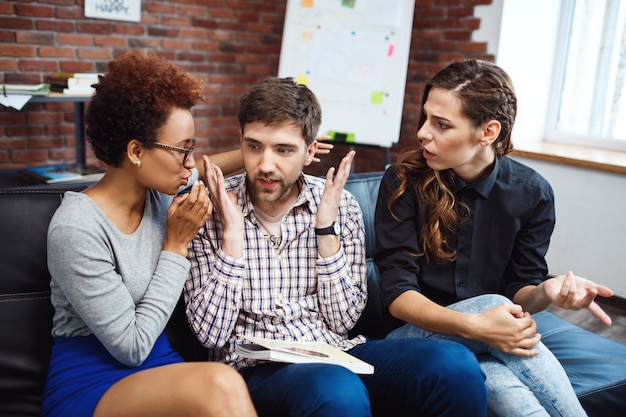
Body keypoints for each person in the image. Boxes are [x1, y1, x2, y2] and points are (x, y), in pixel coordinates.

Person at [185, 76, 487, 417]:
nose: (266, 165)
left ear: (311, 150)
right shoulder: (210, 209)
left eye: (283, 150)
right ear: (240, 141)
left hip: (334, 352)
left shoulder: (339, 205)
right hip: (253, 370)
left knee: (454, 365)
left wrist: (325, 230)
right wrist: (233, 236)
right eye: (254, 146)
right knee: (336, 390)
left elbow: (342, 321)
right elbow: (210, 335)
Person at [374, 59, 615, 417]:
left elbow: (521, 291)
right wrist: (479, 325)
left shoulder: (532, 192)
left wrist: (545, 293)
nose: (423, 133)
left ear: (487, 132)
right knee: (492, 306)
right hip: (415, 339)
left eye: (441, 125)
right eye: (426, 118)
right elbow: (397, 295)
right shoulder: (402, 181)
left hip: (493, 342)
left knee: (513, 397)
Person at [41, 50, 258, 417]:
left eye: (192, 149)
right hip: (93, 381)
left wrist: (263, 150)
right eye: (182, 150)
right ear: (137, 151)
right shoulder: (76, 228)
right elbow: (132, 346)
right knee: (221, 384)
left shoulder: (160, 188)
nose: (190, 164)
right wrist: (176, 245)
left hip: (159, 368)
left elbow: (206, 167)